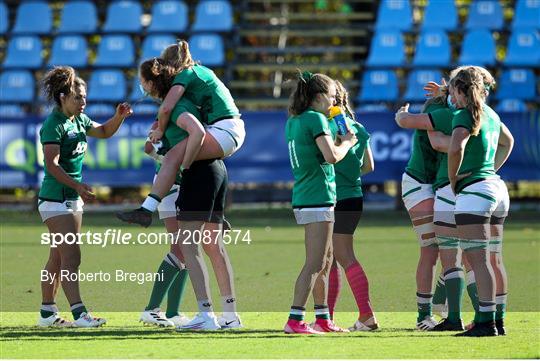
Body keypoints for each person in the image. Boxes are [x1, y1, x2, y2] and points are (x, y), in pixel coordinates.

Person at [135, 58, 241, 330]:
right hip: (198, 178)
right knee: (195, 248)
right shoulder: (188, 107)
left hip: (184, 181)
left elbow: (175, 150)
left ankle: (177, 312)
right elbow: (162, 151)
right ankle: (222, 314)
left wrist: (176, 160)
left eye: (142, 80)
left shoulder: (175, 107)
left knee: (185, 247)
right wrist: (157, 145)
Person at [37, 66, 132, 327]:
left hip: (71, 199)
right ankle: (80, 314)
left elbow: (103, 132)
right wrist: (78, 186)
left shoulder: (79, 119)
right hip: (55, 198)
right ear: (63, 98)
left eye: (85, 97)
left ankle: (47, 314)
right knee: (72, 256)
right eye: (78, 97)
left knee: (58, 257)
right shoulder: (54, 124)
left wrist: (119, 116)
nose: (83, 102)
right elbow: (52, 165)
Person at [117, 40, 245, 228]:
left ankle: (146, 211)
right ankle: (213, 215)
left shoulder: (186, 74)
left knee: (174, 160)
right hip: (226, 128)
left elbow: (167, 108)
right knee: (188, 162)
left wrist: (160, 130)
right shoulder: (200, 73)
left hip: (224, 128)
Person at [284, 71, 357, 334]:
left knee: (326, 261)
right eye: (332, 96)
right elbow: (332, 156)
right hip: (316, 197)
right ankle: (295, 320)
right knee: (315, 263)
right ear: (318, 97)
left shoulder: (296, 120)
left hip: (308, 196)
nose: (335, 101)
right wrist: (347, 142)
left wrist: (338, 138)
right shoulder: (315, 118)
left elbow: (320, 154)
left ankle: (323, 318)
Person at [447, 68, 513, 337]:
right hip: (497, 190)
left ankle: (485, 322)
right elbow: (508, 143)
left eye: (452, 90)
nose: (450, 95)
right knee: (495, 260)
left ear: (460, 90)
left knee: (479, 261)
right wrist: (490, 170)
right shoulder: (492, 114)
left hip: (475, 193)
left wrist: (454, 180)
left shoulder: (464, 114)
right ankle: (499, 319)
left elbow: (455, 148)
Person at [323, 80, 378, 331]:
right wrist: (350, 177)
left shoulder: (328, 126)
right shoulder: (358, 128)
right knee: (333, 258)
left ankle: (366, 315)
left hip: (336, 197)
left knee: (340, 257)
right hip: (354, 196)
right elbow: (368, 167)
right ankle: (329, 318)